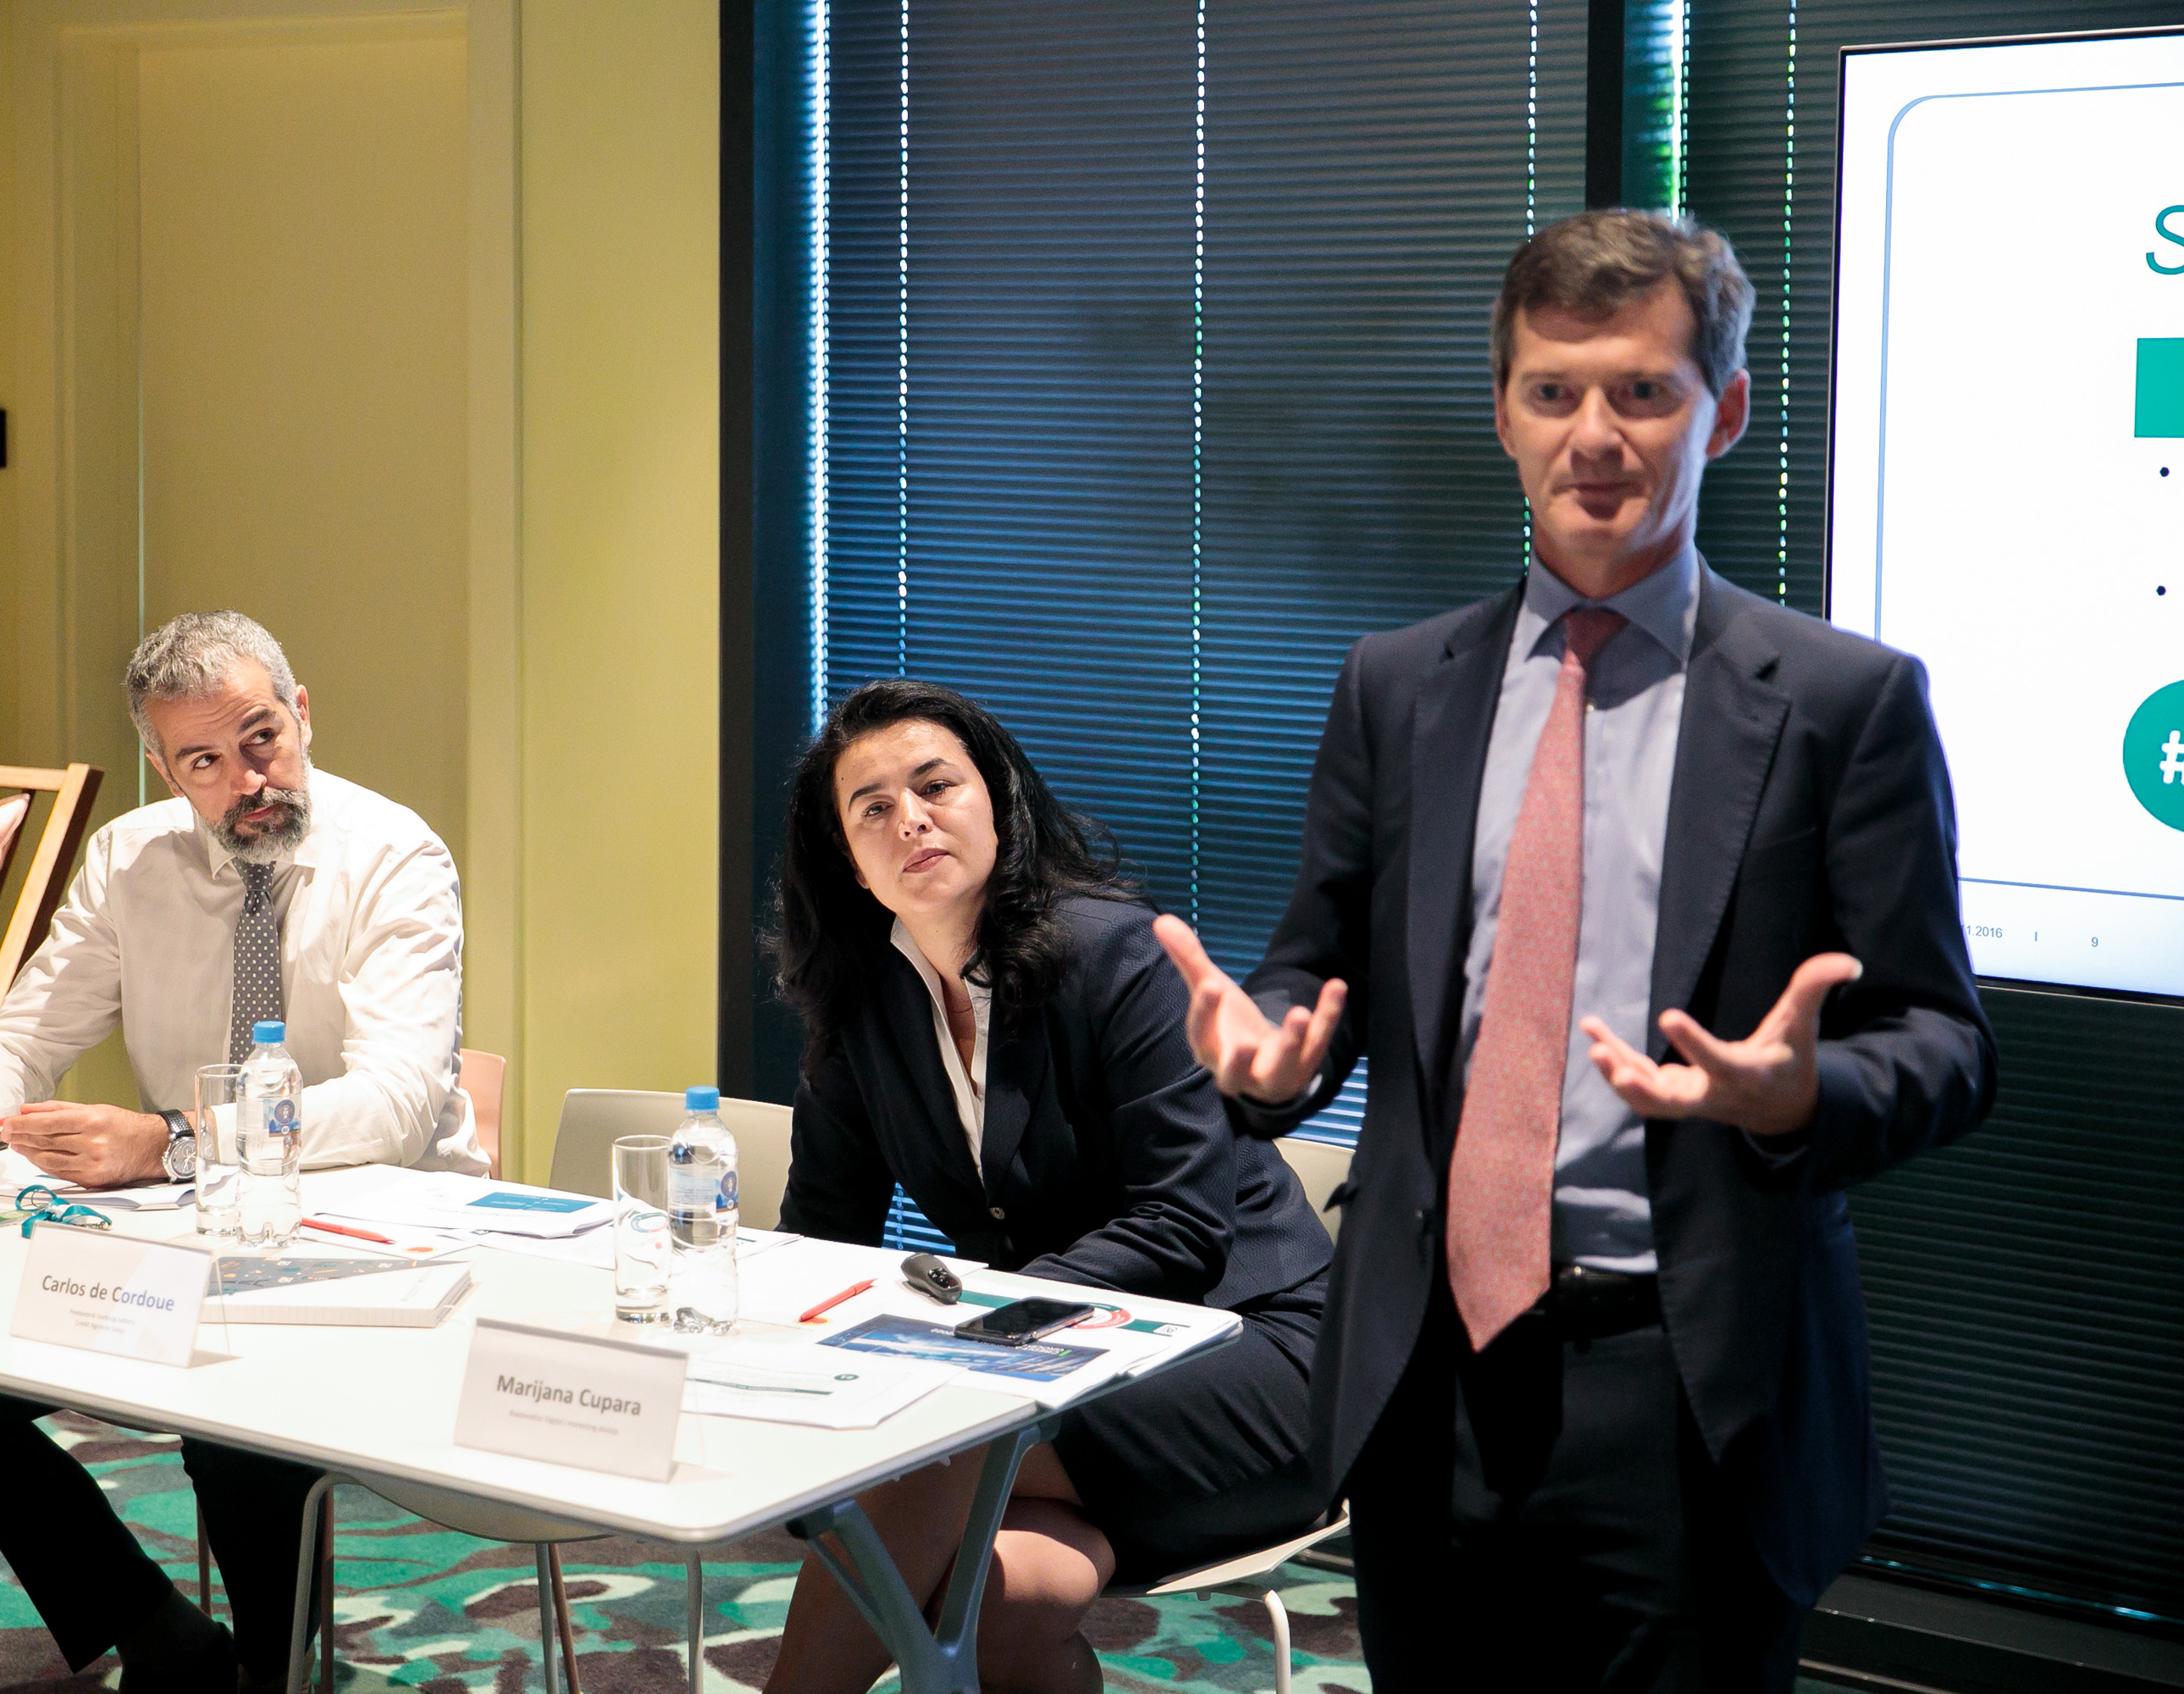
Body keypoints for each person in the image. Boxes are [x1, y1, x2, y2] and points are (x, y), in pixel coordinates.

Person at [1154, 210, 1996, 1691]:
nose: (1594, 436)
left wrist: (1798, 1096)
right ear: (1505, 414)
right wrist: (1269, 1061)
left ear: (1721, 413)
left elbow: (1948, 1045)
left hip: (1688, 1386)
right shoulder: (1399, 687)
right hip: (1427, 1378)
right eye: (1553, 392)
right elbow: (1313, 973)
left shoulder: (1840, 703)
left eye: (1643, 392)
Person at [0, 610, 478, 1693]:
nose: (247, 780)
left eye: (261, 739)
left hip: (373, 1234)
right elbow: (32, 1027)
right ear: (165, 767)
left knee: (239, 1413)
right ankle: (160, 1633)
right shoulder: (128, 858)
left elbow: (395, 1104)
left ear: (302, 713)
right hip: (193, 1237)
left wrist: (177, 1143)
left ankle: (275, 1674)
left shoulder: (397, 855)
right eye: (204, 760)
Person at [765, 678, 1333, 1694]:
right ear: (848, 858)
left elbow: (1180, 1224)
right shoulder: (862, 1002)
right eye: (873, 807)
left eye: (936, 785)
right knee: (1003, 1605)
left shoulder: (1115, 953)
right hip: (1057, 1372)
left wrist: (972, 1325)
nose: (911, 819)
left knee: (929, 1439)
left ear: (999, 802)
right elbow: (822, 1228)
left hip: (1250, 1349)